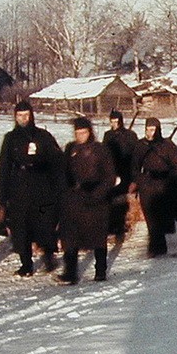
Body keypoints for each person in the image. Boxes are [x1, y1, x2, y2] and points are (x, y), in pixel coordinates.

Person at [0, 101, 63, 276]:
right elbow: (3, 166)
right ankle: (26, 264)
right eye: (19, 115)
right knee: (20, 226)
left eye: (26, 115)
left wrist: (58, 185)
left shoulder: (43, 136)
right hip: (19, 187)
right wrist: (1, 195)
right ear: (15, 117)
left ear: (31, 115)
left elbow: (57, 161)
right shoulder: (10, 138)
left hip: (41, 186)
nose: (23, 119)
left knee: (44, 224)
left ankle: (48, 257)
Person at [56, 118, 116, 285]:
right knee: (70, 237)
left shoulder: (100, 149)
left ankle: (100, 270)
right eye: (77, 133)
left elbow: (110, 176)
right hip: (75, 199)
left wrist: (98, 193)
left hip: (96, 199)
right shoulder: (70, 149)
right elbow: (64, 172)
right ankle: (70, 272)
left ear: (89, 132)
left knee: (98, 236)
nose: (80, 136)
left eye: (83, 133)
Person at [130, 118, 177, 257]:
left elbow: (176, 165)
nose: (149, 132)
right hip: (147, 183)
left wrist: (173, 182)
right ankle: (154, 244)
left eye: (152, 129)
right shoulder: (141, 145)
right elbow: (134, 166)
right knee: (149, 214)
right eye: (147, 129)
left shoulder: (167, 145)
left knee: (161, 214)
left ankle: (159, 243)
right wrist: (138, 180)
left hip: (163, 183)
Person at [101, 109, 138, 239]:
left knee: (122, 200)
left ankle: (122, 227)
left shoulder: (130, 135)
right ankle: (112, 226)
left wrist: (134, 177)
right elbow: (104, 154)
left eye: (117, 121)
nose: (114, 124)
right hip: (112, 172)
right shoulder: (108, 135)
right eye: (112, 122)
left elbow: (135, 156)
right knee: (111, 199)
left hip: (126, 171)